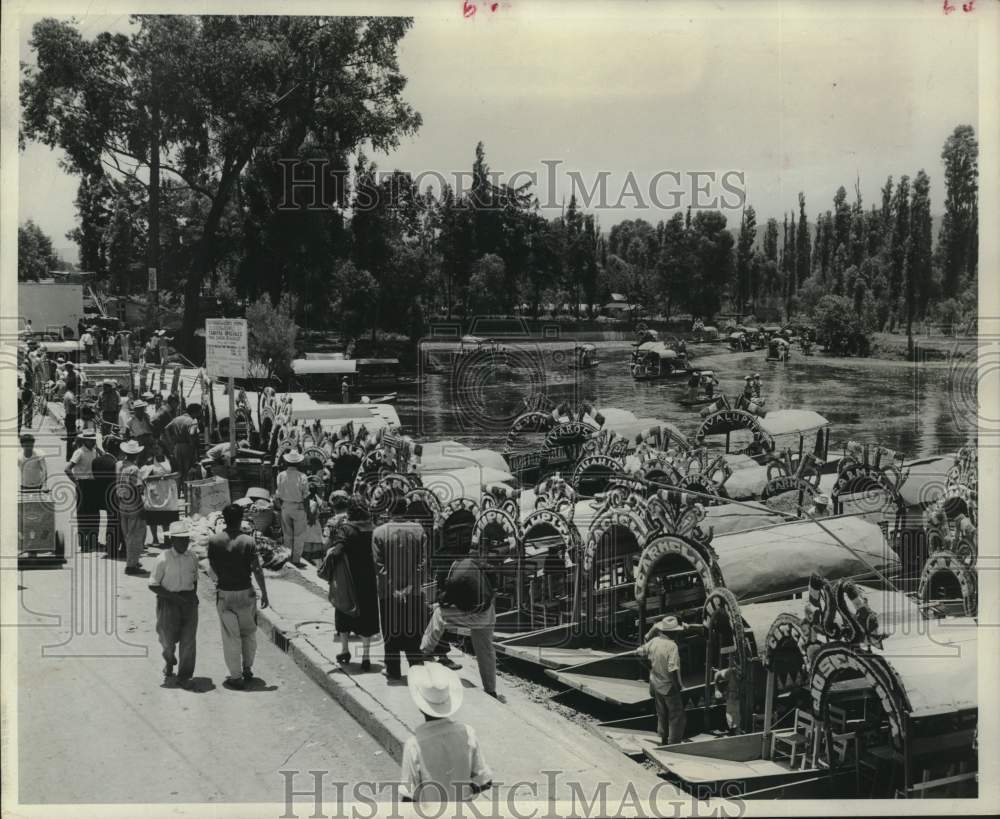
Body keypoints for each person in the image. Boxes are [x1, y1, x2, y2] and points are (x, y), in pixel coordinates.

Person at [420, 544, 506, 702]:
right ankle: (491, 690)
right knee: (485, 651)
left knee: (439, 614)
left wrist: (437, 601)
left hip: (477, 615)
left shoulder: (455, 578)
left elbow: (444, 602)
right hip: (488, 609)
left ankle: (424, 652)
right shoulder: (468, 562)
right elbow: (490, 571)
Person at [400, 664, 493, 803]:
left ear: (420, 707)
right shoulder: (467, 733)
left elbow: (408, 796)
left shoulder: (414, 744)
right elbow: (485, 782)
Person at [207, 503, 270, 690]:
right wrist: (265, 592)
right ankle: (247, 668)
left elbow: (212, 567)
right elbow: (257, 569)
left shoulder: (214, 541)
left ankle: (236, 676)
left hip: (225, 593)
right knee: (248, 632)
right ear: (240, 519)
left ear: (224, 519)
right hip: (246, 592)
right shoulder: (248, 541)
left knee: (230, 636)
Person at [372, 496, 428, 680]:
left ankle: (393, 670)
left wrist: (394, 588)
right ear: (406, 511)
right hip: (414, 592)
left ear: (389, 510)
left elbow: (378, 565)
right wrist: (411, 585)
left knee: (391, 631)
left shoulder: (379, 532)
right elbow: (423, 562)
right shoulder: (419, 530)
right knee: (413, 631)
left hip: (388, 593)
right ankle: (416, 670)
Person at [326, 493, 379, 671]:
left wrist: (330, 555)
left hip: (349, 578)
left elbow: (337, 552)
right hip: (369, 579)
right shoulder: (373, 528)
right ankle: (365, 657)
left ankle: (345, 650)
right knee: (367, 615)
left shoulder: (346, 529)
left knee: (343, 611)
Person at [149, 520, 200, 688]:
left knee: (188, 640)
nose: (184, 542)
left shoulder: (192, 557)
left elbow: (194, 580)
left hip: (189, 602)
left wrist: (193, 596)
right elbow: (153, 584)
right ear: (172, 540)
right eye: (180, 539)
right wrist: (174, 598)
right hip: (168, 602)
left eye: (186, 539)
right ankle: (169, 660)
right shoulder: (162, 559)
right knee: (166, 639)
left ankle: (185, 675)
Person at [637, 615, 687, 745]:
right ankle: (674, 743)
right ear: (674, 632)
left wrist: (649, 667)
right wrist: (679, 687)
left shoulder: (654, 641)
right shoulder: (672, 646)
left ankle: (663, 739)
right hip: (668, 686)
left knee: (662, 714)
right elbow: (673, 670)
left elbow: (638, 652)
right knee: (677, 716)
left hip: (656, 683)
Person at [274, 450, 310, 568]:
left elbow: (278, 494)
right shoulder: (302, 476)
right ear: (299, 463)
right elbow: (306, 496)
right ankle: (296, 560)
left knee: (287, 534)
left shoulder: (281, 475)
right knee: (299, 535)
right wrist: (308, 511)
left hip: (286, 506)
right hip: (298, 507)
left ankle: (288, 558)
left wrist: (281, 507)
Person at [116, 440, 148, 575]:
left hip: (123, 502)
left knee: (127, 533)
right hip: (134, 503)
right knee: (136, 534)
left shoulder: (119, 465)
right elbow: (138, 487)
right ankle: (131, 565)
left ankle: (132, 560)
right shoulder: (134, 469)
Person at [142, 442, 179, 545]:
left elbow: (178, 473)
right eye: (154, 449)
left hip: (169, 490)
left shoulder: (171, 459)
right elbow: (145, 477)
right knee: (153, 514)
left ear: (163, 448)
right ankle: (155, 539)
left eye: (158, 448)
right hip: (155, 491)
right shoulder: (149, 462)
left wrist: (167, 477)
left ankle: (167, 538)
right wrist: (160, 477)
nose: (156, 451)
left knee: (167, 515)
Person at [162, 403, 203, 496]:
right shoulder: (192, 421)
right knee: (187, 471)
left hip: (177, 447)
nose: (200, 414)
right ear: (195, 412)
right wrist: (194, 448)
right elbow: (192, 435)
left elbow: (166, 429)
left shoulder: (177, 419)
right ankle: (186, 493)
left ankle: (176, 493)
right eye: (199, 412)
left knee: (178, 470)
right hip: (188, 447)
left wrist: (171, 442)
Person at [62, 389, 79, 461]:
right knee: (72, 439)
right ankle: (71, 457)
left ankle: (70, 456)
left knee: (71, 439)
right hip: (71, 417)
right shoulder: (70, 395)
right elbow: (73, 405)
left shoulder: (68, 394)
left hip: (69, 417)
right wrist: (80, 403)